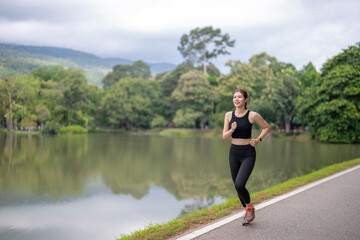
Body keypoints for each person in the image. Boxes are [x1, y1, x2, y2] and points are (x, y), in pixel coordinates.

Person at [223, 89, 270, 226]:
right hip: (234, 153)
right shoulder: (228, 115)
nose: (236, 99)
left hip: (248, 153)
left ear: (245, 99)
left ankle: (249, 208)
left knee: (239, 184)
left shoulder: (252, 115)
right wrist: (231, 130)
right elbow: (224, 137)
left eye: (239, 97)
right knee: (237, 187)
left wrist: (258, 140)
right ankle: (247, 212)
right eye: (234, 97)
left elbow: (266, 127)